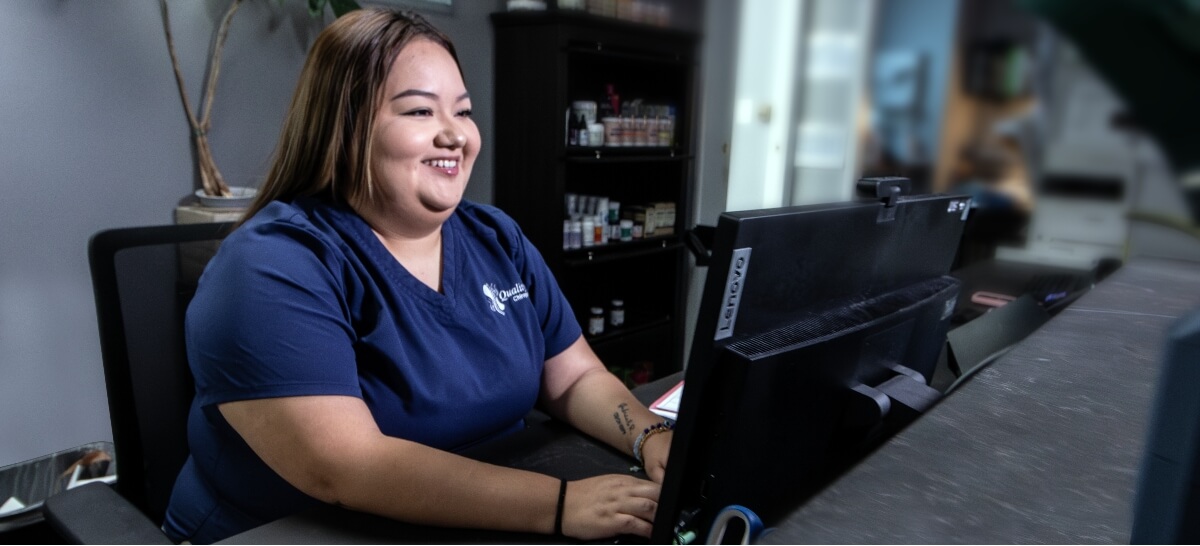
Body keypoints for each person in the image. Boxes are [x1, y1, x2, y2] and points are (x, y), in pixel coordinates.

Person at [163, 8, 673, 544]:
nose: (456, 135)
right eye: (420, 112)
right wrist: (561, 504)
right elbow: (347, 466)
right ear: (346, 124)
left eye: (464, 111)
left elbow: (573, 377)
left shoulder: (495, 237)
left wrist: (650, 436)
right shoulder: (271, 268)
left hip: (476, 511)